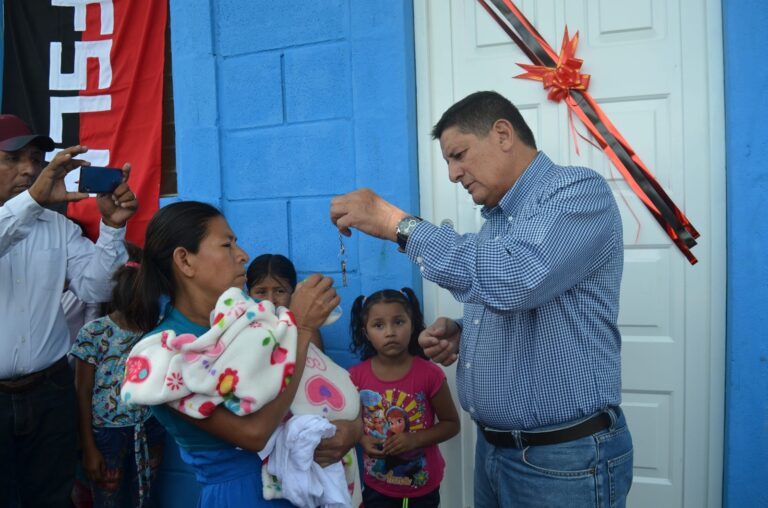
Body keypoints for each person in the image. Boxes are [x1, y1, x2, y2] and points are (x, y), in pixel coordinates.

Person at [330, 91, 633, 507]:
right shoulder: (496, 222)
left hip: (562, 461)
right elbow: (513, 296)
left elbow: (514, 280)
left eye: (459, 155)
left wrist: (395, 224)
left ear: (503, 134)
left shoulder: (576, 193)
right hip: (496, 452)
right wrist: (463, 330)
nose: (454, 174)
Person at [121, 201, 361, 507]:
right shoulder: (161, 355)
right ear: (185, 260)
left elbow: (322, 384)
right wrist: (299, 330)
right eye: (226, 244)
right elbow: (255, 434)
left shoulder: (249, 322)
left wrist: (352, 429)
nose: (242, 255)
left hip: (299, 491)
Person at [0, 113, 137, 507]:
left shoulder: (58, 228)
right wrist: (30, 203)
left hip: (50, 392)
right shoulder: (31, 213)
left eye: (36, 159)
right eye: (14, 158)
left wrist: (111, 228)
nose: (30, 169)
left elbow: (97, 286)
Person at [70, 242, 165, 507]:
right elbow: (83, 392)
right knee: (109, 500)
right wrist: (88, 448)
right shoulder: (94, 333)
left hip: (149, 428)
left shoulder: (155, 330)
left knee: (146, 498)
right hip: (106, 437)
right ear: (123, 296)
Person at [348, 288, 459, 508]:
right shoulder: (355, 377)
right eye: (378, 325)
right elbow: (352, 423)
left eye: (398, 322)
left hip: (421, 488)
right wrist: (361, 438)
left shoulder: (429, 374)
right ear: (366, 332)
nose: (390, 332)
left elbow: (452, 425)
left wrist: (414, 439)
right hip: (376, 488)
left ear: (413, 324)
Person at [246, 253, 324, 350]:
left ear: (294, 293)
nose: (270, 301)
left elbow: (317, 363)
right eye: (261, 292)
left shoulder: (306, 327)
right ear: (248, 294)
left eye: (280, 291)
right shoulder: (242, 327)